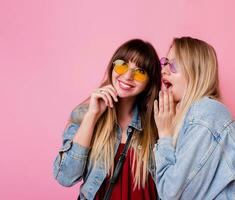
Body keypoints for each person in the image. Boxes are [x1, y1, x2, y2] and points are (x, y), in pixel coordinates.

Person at [153, 36, 235, 199]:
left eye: (173, 65)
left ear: (197, 72)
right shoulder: (191, 115)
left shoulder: (205, 114)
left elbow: (171, 193)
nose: (164, 70)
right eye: (165, 62)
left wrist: (165, 135)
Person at [53, 39, 161, 200]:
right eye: (122, 65)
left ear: (149, 81)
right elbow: (65, 177)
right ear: (112, 66)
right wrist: (92, 116)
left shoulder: (158, 121)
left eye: (140, 72)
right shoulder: (83, 113)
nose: (128, 76)